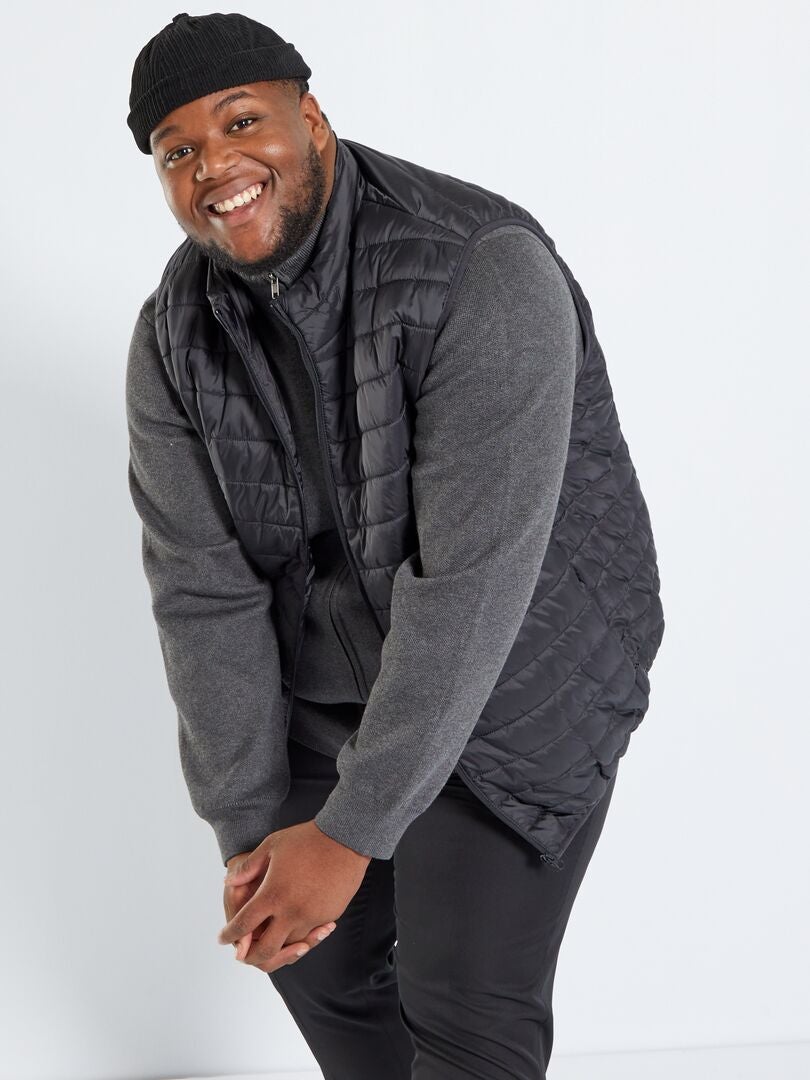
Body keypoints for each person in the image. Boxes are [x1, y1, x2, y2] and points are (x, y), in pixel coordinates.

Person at [124, 12, 665, 1078]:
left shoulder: (481, 269)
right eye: (177, 151)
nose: (214, 165)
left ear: (312, 119)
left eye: (242, 122)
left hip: (513, 680)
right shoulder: (174, 333)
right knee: (317, 966)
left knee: (461, 1009)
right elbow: (201, 591)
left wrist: (349, 833)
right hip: (330, 698)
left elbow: (472, 584)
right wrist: (249, 830)